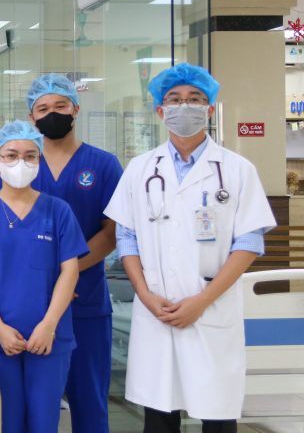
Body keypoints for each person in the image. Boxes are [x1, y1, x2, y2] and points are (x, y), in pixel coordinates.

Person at [105, 63, 276, 432]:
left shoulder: (237, 169)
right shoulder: (140, 169)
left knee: (217, 414)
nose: (184, 106)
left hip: (211, 307)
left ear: (209, 109)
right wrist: (145, 295)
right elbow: (126, 237)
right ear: (160, 110)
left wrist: (201, 301)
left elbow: (249, 242)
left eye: (195, 99)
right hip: (156, 307)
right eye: (174, 99)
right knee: (159, 414)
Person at [0, 120, 88, 433]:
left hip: (49, 338)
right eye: (11, 156)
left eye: (30, 156)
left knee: (44, 423)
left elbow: (70, 270)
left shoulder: (58, 211)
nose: (20, 163)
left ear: (39, 160)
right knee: (3, 422)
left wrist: (49, 325)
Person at [24, 73, 122, 433]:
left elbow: (111, 233)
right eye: (43, 108)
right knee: (35, 407)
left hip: (86, 302)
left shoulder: (104, 165)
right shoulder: (22, 165)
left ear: (76, 109)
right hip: (33, 303)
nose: (52, 113)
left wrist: (69, 275)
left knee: (90, 403)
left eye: (60, 105)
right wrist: (48, 282)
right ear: (32, 117)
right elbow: (9, 231)